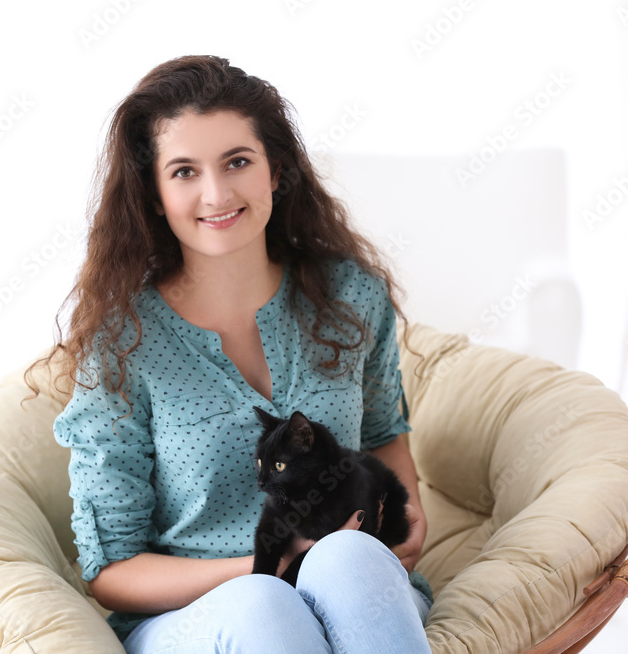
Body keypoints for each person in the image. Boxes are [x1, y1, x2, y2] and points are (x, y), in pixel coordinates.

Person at [29, 54, 432, 652]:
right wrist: (268, 567)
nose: (216, 193)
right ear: (154, 193)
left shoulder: (351, 296)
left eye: (237, 161)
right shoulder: (121, 344)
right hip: (195, 615)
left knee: (347, 557)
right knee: (263, 604)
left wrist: (405, 512)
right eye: (184, 171)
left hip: (353, 581)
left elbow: (382, 434)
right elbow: (112, 569)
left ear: (275, 170)